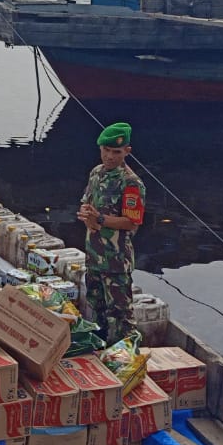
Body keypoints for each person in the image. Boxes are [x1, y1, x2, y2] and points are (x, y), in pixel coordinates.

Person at [77, 122, 146, 343]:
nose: (109, 156)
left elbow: (132, 223)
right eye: (105, 150)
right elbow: (87, 202)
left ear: (127, 151)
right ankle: (99, 348)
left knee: (121, 315)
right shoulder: (96, 174)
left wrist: (100, 219)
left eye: (116, 152)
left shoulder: (131, 183)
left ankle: (124, 357)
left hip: (115, 260)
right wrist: (86, 215)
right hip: (94, 255)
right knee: (97, 307)